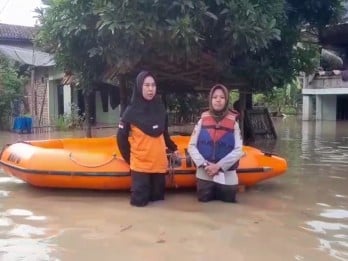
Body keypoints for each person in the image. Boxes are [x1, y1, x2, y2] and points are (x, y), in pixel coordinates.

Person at [117, 71, 180, 207]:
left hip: (159, 165)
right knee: (139, 205)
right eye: (146, 85)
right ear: (140, 87)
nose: (150, 89)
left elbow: (165, 134)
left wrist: (173, 148)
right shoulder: (130, 111)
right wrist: (131, 159)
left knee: (158, 204)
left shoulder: (160, 108)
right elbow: (121, 138)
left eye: (153, 85)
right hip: (140, 166)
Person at [188, 84, 243, 203]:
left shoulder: (234, 124)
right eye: (215, 97)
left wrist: (218, 166)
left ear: (226, 100)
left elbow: (238, 150)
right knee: (204, 205)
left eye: (222, 97)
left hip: (227, 175)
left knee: (228, 207)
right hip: (205, 173)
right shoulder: (202, 121)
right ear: (211, 100)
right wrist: (204, 165)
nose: (218, 100)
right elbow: (191, 146)